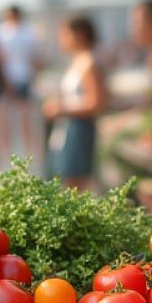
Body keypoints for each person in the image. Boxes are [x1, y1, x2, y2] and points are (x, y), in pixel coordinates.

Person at [44, 16, 106, 190]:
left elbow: (97, 102)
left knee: (75, 184)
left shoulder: (90, 63)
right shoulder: (78, 61)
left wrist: (62, 109)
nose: (61, 40)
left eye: (65, 35)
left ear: (78, 35)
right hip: (68, 127)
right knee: (64, 180)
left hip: (79, 128)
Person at [0, 5, 40, 160]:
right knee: (10, 116)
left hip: (18, 76)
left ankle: (17, 149)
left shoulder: (6, 32)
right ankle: (14, 149)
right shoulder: (21, 32)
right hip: (17, 75)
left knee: (17, 115)